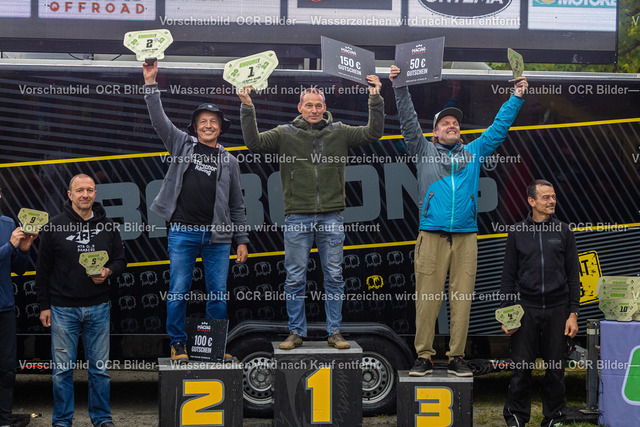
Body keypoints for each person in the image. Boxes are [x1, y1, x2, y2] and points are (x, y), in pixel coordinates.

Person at [389, 66, 529, 376]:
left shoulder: (474, 152)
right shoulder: (423, 151)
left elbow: (498, 129)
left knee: (462, 301)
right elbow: (409, 122)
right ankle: (424, 357)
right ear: (435, 133)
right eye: (445, 123)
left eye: (455, 123)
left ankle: (456, 357)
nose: (451, 125)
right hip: (431, 236)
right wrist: (400, 88)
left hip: (466, 237)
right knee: (427, 301)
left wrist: (516, 97)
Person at [238, 76, 384, 350]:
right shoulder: (285, 133)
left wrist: (375, 98)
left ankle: (335, 332)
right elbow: (254, 143)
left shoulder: (339, 131)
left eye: (318, 105)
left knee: (334, 276)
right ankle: (296, 332)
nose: (314, 110)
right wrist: (247, 105)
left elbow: (372, 133)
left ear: (324, 107)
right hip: (297, 216)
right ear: (300, 107)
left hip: (331, 216)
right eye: (309, 105)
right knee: (295, 277)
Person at [142, 61, 249, 362]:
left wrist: (242, 240)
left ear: (220, 127)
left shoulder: (230, 161)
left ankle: (215, 346)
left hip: (218, 238)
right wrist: (150, 84)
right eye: (203, 121)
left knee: (218, 294)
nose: (208, 125)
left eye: (213, 121)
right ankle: (178, 344)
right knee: (178, 290)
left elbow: (237, 204)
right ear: (195, 126)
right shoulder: (181, 144)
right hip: (183, 232)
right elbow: (159, 120)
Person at [36, 174, 125, 427]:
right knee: (62, 371)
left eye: (89, 190)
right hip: (63, 310)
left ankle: (102, 419)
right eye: (79, 190)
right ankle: (62, 421)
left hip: (99, 308)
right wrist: (44, 306)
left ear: (95, 193)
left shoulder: (108, 226)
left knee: (100, 370)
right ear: (70, 194)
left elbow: (121, 261)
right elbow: (42, 271)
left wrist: (108, 272)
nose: (85, 195)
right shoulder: (54, 226)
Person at [499, 180, 579, 427]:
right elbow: (508, 276)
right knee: (521, 369)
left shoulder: (564, 231)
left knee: (556, 370)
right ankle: (515, 417)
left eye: (553, 196)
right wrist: (507, 314)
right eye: (545, 197)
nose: (552, 201)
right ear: (531, 201)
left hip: (558, 309)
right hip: (526, 310)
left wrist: (573, 314)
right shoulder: (517, 232)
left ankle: (554, 418)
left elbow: (573, 276)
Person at [0, 186, 37, 427]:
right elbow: (6, 251)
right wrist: (10, 246)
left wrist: (23, 250)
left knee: (6, 368)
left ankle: (4, 420)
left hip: (4, 308)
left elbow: (19, 269)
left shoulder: (7, 223)